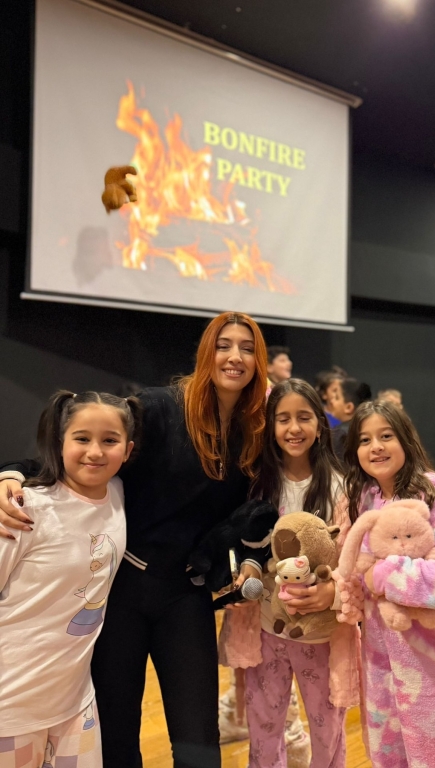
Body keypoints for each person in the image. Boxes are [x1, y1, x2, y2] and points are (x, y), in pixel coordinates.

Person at [0, 311, 268, 768]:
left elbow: (249, 513)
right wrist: (12, 472)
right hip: (124, 589)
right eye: (224, 345)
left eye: (247, 348)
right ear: (206, 352)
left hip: (186, 594)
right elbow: (93, 444)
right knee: (117, 731)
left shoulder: (253, 433)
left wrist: (245, 561)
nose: (235, 357)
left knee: (199, 739)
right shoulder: (161, 407)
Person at [0, 390, 140, 768]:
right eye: (81, 438)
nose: (95, 452)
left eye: (109, 441)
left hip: (76, 703)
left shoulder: (118, 493)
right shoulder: (23, 509)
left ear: (128, 450)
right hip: (10, 708)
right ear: (60, 441)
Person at [344, 399, 435, 767]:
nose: (375, 447)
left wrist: (387, 575)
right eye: (364, 440)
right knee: (390, 758)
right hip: (381, 665)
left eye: (386, 436)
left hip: (433, 669)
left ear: (405, 439)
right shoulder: (367, 498)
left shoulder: (434, 495)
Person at [235, 378, 348, 768]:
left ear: (320, 423)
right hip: (267, 628)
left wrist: (332, 591)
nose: (294, 428)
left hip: (321, 634)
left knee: (326, 728)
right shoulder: (259, 484)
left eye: (304, 417)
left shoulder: (340, 486)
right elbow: (247, 543)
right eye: (283, 419)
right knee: (264, 726)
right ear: (270, 426)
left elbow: (351, 559)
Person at [328, 378, 372, 463]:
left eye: (336, 398)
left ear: (348, 407)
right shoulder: (370, 428)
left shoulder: (339, 435)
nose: (331, 401)